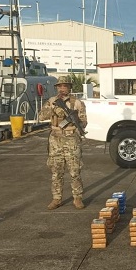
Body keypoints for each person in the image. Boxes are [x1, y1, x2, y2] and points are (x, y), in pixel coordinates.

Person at [39, 76, 88, 210]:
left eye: (65, 86)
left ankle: (77, 198)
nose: (62, 89)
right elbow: (41, 116)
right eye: (60, 86)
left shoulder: (77, 103)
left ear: (69, 87)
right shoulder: (52, 101)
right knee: (56, 172)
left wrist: (73, 120)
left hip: (71, 139)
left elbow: (84, 122)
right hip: (55, 140)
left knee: (75, 171)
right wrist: (53, 110)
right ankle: (57, 198)